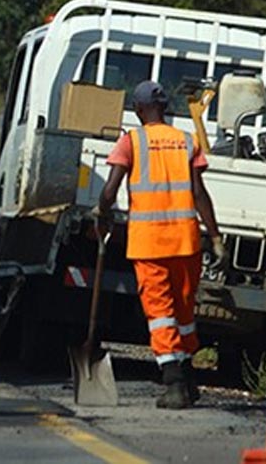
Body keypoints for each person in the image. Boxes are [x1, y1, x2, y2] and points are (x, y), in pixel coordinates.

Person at [96, 80, 224, 409]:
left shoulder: (131, 141)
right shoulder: (187, 141)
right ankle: (187, 376)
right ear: (165, 107)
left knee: (160, 315)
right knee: (183, 313)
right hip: (186, 242)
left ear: (139, 110)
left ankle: (174, 384)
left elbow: (110, 190)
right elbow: (199, 194)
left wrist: (103, 214)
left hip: (149, 244)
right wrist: (215, 235)